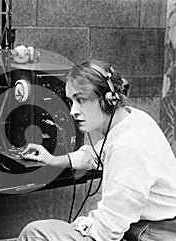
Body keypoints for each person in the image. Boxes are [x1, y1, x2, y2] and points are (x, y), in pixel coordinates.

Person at [17, 59, 176, 241]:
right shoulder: (134, 118)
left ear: (108, 99)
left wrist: (80, 227)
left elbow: (106, 234)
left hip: (151, 234)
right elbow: (93, 155)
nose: (73, 111)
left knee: (34, 233)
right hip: (140, 225)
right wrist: (52, 159)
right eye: (71, 101)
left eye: (81, 100)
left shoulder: (126, 148)